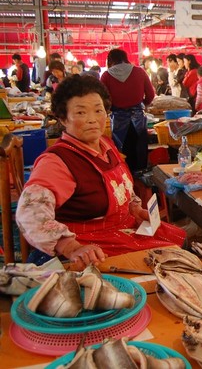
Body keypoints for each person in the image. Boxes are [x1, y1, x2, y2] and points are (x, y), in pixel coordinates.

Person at [16, 74, 186, 268]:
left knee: (181, 250)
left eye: (98, 110)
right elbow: (29, 213)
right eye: (81, 113)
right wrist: (71, 247)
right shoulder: (57, 161)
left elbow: (122, 189)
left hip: (122, 230)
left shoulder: (106, 145)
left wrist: (135, 210)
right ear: (63, 118)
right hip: (88, 244)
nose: (92, 120)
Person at [100, 48, 155, 172]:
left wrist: (109, 109)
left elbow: (101, 99)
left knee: (121, 150)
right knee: (139, 150)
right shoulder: (139, 72)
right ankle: (141, 180)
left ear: (110, 60)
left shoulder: (106, 75)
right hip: (138, 118)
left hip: (118, 119)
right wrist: (142, 105)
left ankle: (123, 177)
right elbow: (151, 94)